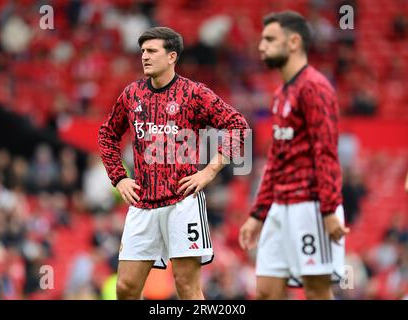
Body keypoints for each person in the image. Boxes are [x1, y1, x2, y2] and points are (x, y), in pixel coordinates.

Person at [98, 27, 249, 300]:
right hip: (142, 205)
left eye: (152, 51)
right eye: (143, 50)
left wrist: (210, 170)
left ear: (171, 57)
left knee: (187, 286)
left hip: (183, 203)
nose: (144, 56)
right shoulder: (132, 95)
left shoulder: (193, 93)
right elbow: (107, 134)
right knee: (125, 288)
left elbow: (237, 125)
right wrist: (119, 177)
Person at [239, 11, 350, 300]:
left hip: (311, 205)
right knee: (265, 291)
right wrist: (258, 213)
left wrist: (328, 209)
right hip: (279, 205)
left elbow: (325, 151)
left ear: (294, 42)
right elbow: (275, 160)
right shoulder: (280, 94)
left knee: (315, 292)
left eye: (270, 39)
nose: (261, 45)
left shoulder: (315, 87)